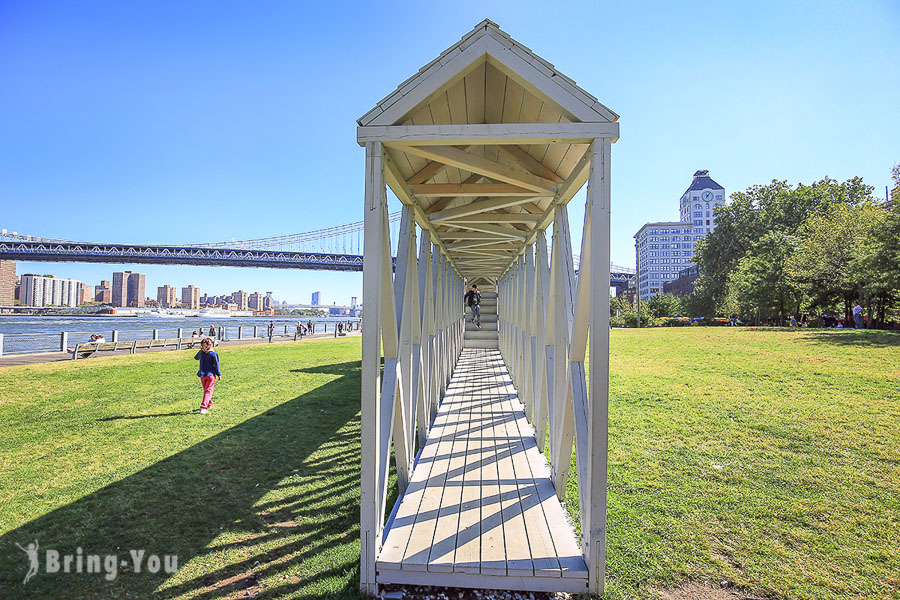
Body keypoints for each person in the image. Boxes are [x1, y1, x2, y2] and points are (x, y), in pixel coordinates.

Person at [194, 338, 221, 415]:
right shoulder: (213, 354)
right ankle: (203, 407)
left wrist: (200, 352)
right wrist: (219, 374)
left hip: (202, 375)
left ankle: (209, 404)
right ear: (211, 345)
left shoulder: (201, 353)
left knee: (206, 390)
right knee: (208, 391)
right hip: (210, 375)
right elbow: (216, 365)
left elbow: (196, 357)